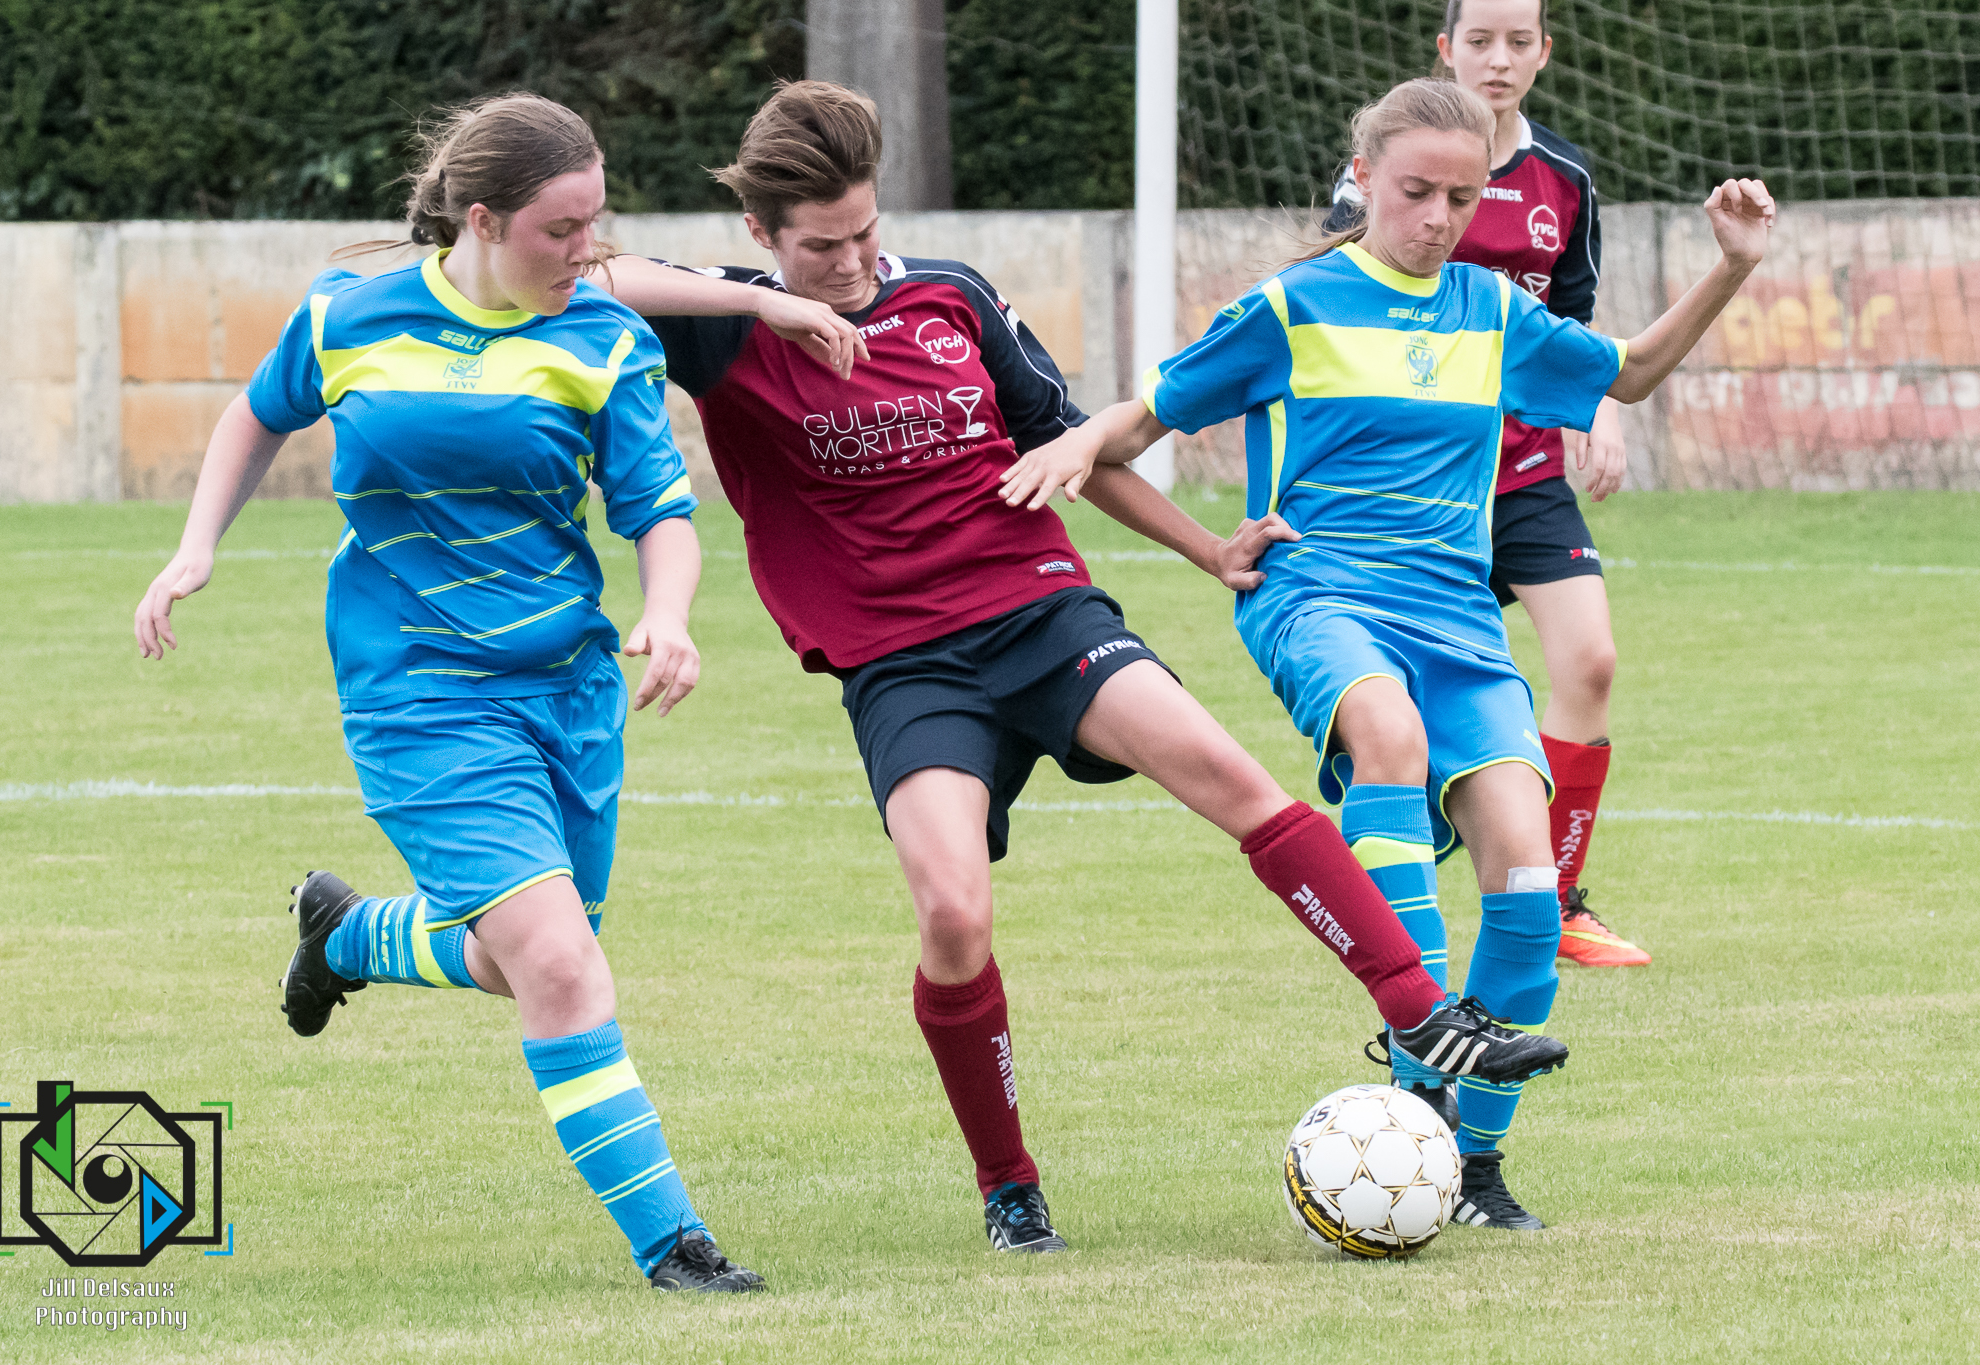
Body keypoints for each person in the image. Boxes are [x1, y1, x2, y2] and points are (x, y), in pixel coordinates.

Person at [592, 79, 1568, 1255]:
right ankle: (1008, 1185)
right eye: (817, 248)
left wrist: (1207, 549)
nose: (847, 265)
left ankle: (1420, 1016)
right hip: (902, 665)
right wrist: (770, 304)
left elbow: (1072, 446)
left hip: (1040, 613)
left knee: (1231, 779)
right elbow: (587, 274)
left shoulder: (951, 297)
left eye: (861, 233)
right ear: (761, 233)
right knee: (952, 915)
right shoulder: (725, 325)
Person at [998, 77, 1772, 1229]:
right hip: (1315, 592)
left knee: (1525, 881)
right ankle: (1420, 1026)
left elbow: (1629, 374)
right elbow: (1142, 418)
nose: (1438, 218)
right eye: (1415, 192)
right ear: (1362, 180)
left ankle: (1468, 1165)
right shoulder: (1290, 307)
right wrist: (1082, 448)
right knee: (1386, 736)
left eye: (1462, 198)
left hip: (1456, 620)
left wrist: (1731, 267)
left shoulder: (1490, 311)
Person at [127, 93, 845, 1294]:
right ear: (481, 221)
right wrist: (195, 546)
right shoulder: (348, 318)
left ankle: (348, 935)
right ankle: (674, 1246)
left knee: (528, 962)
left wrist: (666, 613)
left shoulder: (605, 341)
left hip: (565, 691)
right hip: (416, 695)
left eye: (595, 224)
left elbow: (660, 513)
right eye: (562, 230)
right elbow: (255, 415)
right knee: (559, 967)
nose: (587, 252)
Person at [1321, 0, 1646, 967]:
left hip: (1524, 470)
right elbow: (1335, 303)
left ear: (1545, 53)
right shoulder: (1387, 170)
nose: (1498, 59)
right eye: (1478, 40)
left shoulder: (1565, 179)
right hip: (1414, 481)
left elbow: (1580, 327)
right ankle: (1415, 832)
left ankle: (1562, 898)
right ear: (1445, 49)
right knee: (1408, 692)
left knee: (1590, 662)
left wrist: (1603, 411)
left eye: (1518, 41)